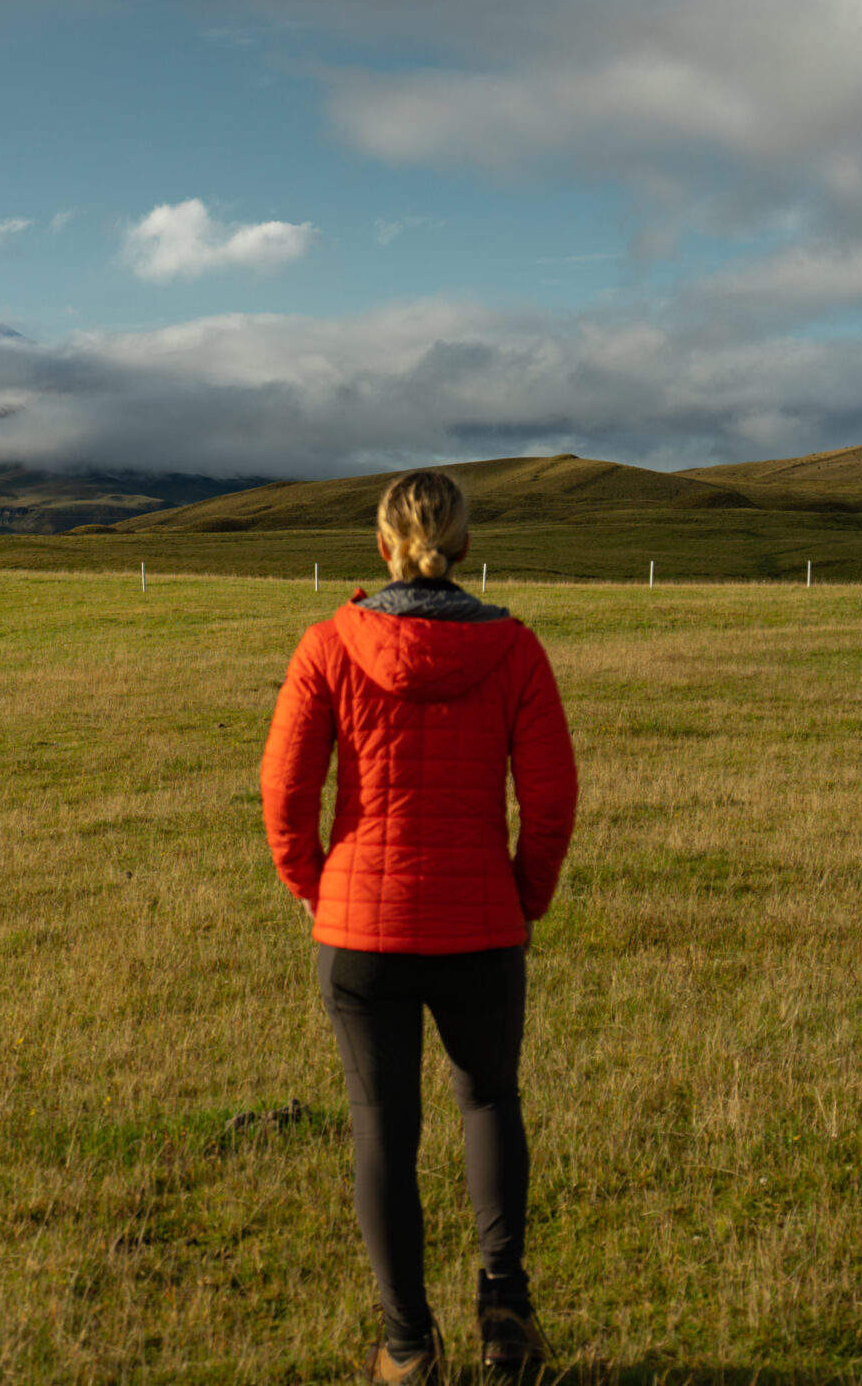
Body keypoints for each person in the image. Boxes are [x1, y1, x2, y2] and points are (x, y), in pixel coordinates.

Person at [261, 469, 578, 1383]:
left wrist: (310, 885)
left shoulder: (328, 644)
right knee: (489, 1101)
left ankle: (407, 1347)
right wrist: (528, 892)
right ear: (465, 547)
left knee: (381, 1126)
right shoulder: (515, 650)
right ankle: (505, 1313)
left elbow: (284, 788)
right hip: (482, 920)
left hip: (360, 931)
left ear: (381, 546)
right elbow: (551, 797)